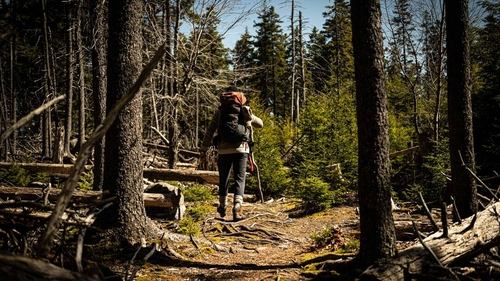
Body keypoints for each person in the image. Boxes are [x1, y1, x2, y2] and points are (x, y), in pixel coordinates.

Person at [200, 87, 263, 221]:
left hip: (223, 150)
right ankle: (237, 208)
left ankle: (222, 205)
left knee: (224, 179)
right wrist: (251, 117)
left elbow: (211, 130)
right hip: (241, 149)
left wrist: (204, 148)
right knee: (240, 179)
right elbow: (260, 124)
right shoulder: (244, 109)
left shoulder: (220, 111)